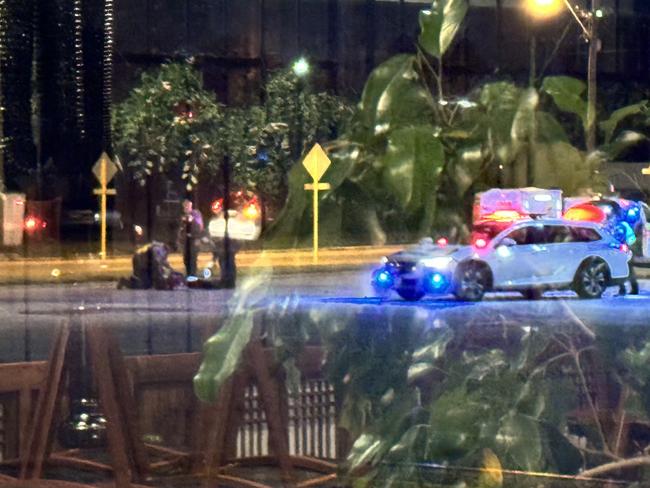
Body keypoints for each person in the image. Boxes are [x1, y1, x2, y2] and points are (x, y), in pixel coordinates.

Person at [178, 199, 204, 277]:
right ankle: (188, 274)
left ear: (190, 206)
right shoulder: (183, 216)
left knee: (192, 259)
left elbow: (199, 227)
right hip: (185, 241)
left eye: (187, 206)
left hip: (193, 240)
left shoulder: (195, 214)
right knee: (186, 259)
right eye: (184, 206)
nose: (186, 208)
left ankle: (193, 275)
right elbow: (181, 229)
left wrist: (192, 220)